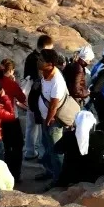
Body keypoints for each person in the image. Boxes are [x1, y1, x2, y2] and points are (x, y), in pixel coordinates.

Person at [36, 48, 69, 187]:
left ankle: (59, 180)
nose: (38, 61)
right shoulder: (45, 74)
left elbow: (54, 104)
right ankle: (50, 171)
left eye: (41, 60)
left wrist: (48, 120)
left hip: (53, 121)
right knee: (47, 146)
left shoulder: (57, 81)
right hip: (45, 118)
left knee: (56, 151)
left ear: (50, 64)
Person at [0, 59, 27, 181]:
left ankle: (3, 173)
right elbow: (22, 97)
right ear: (11, 70)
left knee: (5, 146)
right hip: (11, 118)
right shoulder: (10, 83)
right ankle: (15, 174)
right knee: (18, 146)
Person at [23, 35, 54, 161]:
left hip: (31, 96)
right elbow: (40, 80)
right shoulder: (39, 60)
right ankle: (41, 153)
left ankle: (29, 151)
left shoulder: (30, 57)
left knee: (31, 126)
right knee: (42, 126)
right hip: (38, 97)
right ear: (46, 47)